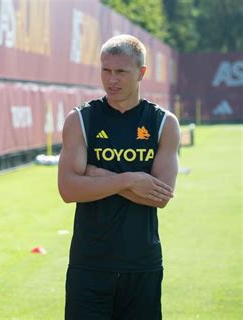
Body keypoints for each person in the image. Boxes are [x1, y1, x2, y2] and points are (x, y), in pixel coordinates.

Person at [58, 34, 180, 319]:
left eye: (121, 72)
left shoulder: (163, 123)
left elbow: (160, 196)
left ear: (141, 73)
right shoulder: (80, 120)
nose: (111, 79)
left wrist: (97, 174)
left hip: (142, 265)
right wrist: (129, 180)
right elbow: (68, 189)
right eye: (106, 70)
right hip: (89, 265)